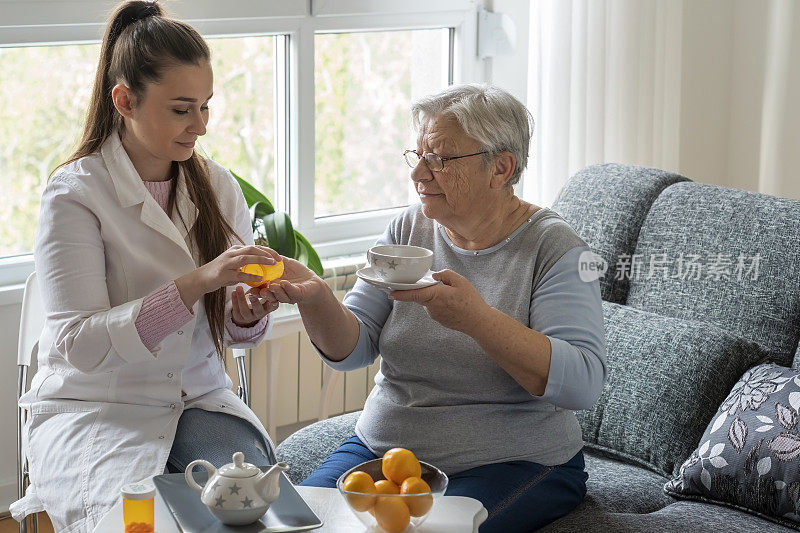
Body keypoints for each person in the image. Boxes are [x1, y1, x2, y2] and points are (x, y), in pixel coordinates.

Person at [261, 84, 607, 532]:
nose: (419, 174)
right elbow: (355, 348)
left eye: (440, 159)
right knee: (293, 526)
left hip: (513, 461)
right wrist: (316, 299)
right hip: (386, 450)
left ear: (500, 168)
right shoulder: (408, 228)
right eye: (418, 155)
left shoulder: (557, 250)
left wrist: (477, 320)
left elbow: (581, 384)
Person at [10, 2, 282, 531]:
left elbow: (233, 332)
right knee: (140, 522)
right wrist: (197, 282)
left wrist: (245, 312)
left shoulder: (219, 186)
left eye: (206, 107)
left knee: (246, 508)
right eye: (182, 109)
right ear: (125, 100)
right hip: (98, 409)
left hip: (197, 399)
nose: (200, 126)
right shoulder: (75, 194)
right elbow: (80, 344)